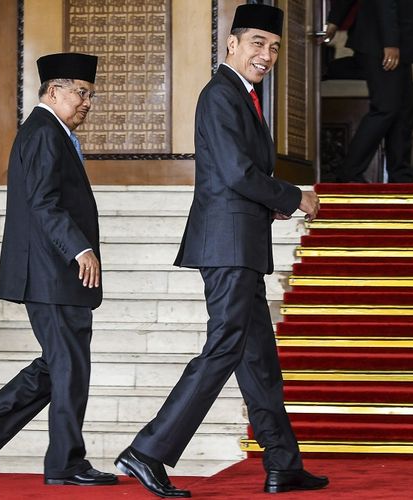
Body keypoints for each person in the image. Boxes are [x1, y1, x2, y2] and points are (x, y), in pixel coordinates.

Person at [115, 4, 328, 498]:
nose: (266, 54)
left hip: (240, 241)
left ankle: (282, 462)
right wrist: (294, 197)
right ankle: (147, 451)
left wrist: (269, 204)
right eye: (257, 43)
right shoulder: (221, 94)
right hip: (227, 245)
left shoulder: (243, 95)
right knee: (225, 349)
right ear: (231, 44)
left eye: (274, 47)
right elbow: (235, 173)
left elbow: (236, 175)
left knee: (258, 359)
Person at [0, 52, 118, 487]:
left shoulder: (50, 131)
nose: (87, 102)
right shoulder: (46, 132)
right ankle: (65, 464)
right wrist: (79, 249)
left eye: (91, 95)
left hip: (52, 272)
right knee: (69, 368)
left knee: (59, 363)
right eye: (81, 93)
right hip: (51, 271)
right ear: (53, 91)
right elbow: (45, 202)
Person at [324, 0, 413, 182]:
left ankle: (401, 176)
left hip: (399, 43)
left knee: (402, 111)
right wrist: (390, 42)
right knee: (386, 108)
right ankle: (349, 173)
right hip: (382, 43)